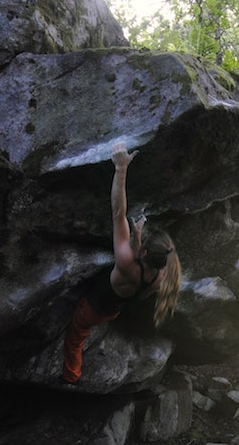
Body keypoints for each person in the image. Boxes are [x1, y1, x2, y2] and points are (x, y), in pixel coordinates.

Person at [61, 142, 182, 384]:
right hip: (113, 310)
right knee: (91, 320)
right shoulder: (161, 276)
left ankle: (70, 376)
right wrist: (137, 237)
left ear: (145, 251)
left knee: (75, 336)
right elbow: (143, 266)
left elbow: (118, 212)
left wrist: (121, 168)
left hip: (92, 309)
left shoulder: (126, 261)